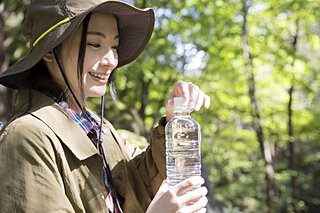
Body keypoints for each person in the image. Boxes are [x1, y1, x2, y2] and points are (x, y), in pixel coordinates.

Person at [0, 0, 211, 212]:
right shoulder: (26, 138)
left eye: (115, 46)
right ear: (50, 50)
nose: (111, 60)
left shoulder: (99, 128)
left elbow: (143, 181)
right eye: (95, 44)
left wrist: (173, 121)